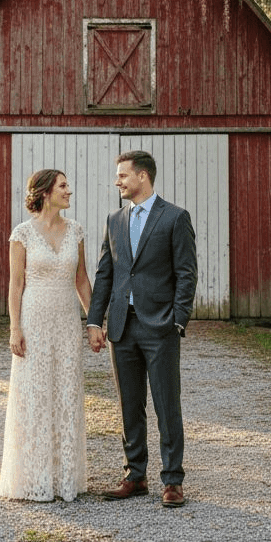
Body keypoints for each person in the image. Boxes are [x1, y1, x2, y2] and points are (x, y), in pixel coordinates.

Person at [86, 151, 197, 508]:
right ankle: (135, 475)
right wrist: (94, 320)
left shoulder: (175, 218)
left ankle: (172, 480)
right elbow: (106, 274)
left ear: (143, 176)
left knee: (167, 404)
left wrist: (178, 319)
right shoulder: (114, 219)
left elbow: (186, 273)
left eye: (123, 176)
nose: (117, 182)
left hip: (160, 325)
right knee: (129, 405)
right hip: (122, 326)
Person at [0, 169, 93, 501]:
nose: (69, 190)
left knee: (65, 391)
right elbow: (16, 284)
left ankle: (64, 477)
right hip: (34, 320)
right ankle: (33, 477)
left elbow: (82, 280)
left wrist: (93, 322)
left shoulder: (76, 231)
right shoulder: (22, 234)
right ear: (45, 193)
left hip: (66, 321)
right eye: (63, 186)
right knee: (35, 394)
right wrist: (15, 328)